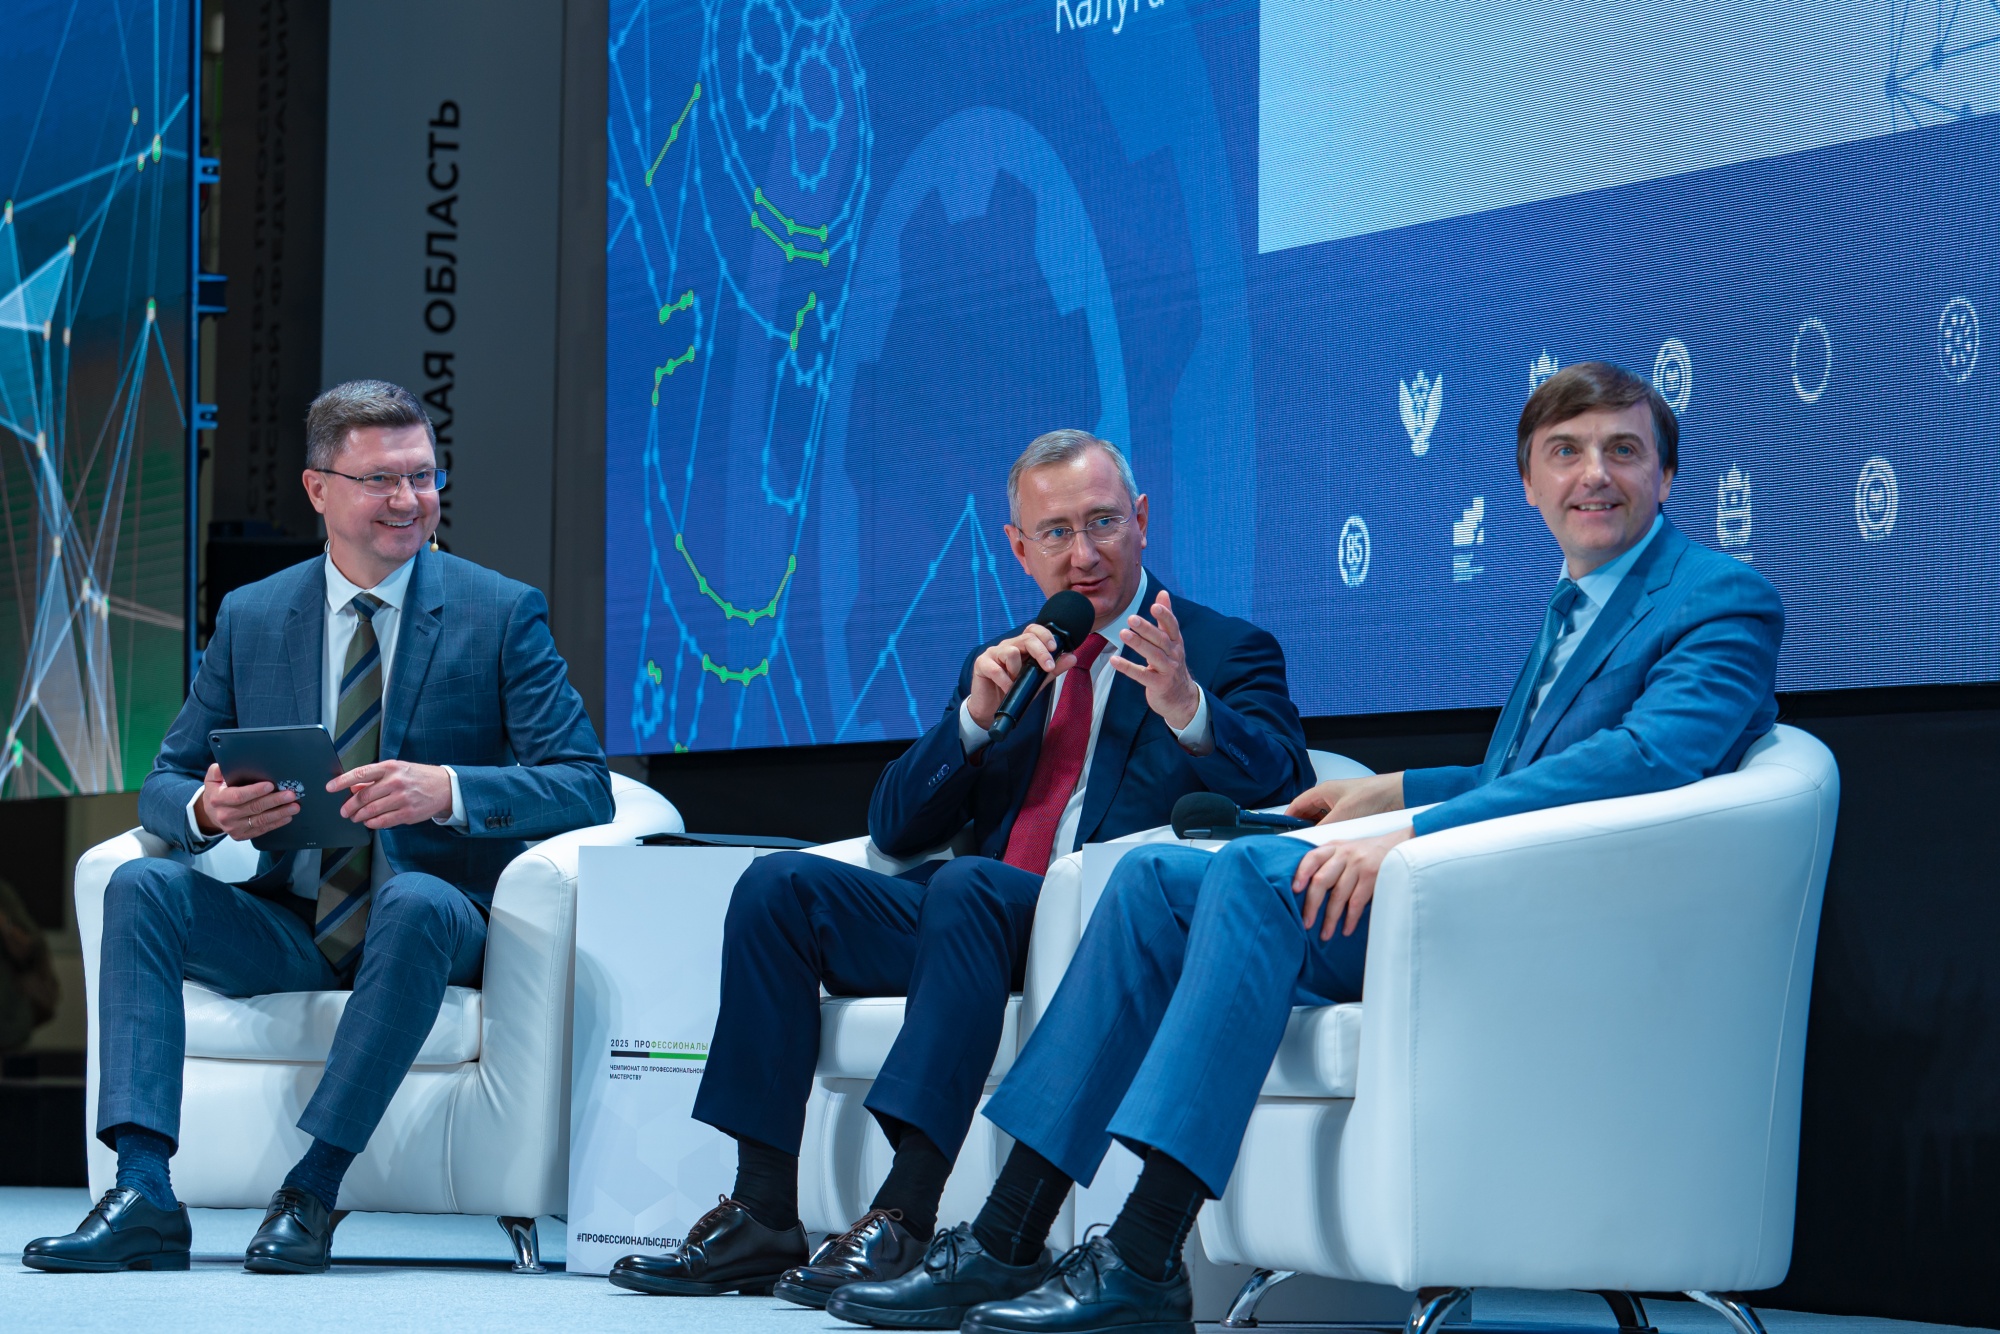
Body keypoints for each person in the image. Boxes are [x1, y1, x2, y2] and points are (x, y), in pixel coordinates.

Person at [827, 361, 1786, 1334]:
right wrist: (1388, 789)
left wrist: (1407, 830)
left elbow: (1643, 761)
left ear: (1665, 474)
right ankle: (1005, 1234)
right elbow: (1530, 773)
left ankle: (1144, 1251)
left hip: (1564, 918)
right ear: (1529, 483)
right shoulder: (1575, 602)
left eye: (1622, 450)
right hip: (1480, 890)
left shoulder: (1719, 598)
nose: (1594, 474)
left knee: (1250, 874)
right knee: (1153, 881)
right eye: (1565, 453)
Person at [609, 429, 1314, 1305]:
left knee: (966, 884)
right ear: (1018, 549)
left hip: (1107, 927)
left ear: (1141, 520)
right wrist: (974, 723)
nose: (1083, 554)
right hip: (970, 925)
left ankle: (904, 1216)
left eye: (1103, 522)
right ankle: (761, 1211)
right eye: (1055, 532)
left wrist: (1186, 705)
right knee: (777, 888)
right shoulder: (1011, 659)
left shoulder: (1219, 648)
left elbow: (1288, 790)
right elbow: (896, 826)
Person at [24, 381, 613, 1276]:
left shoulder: (499, 612)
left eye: (423, 476)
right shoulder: (255, 615)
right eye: (381, 480)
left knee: (414, 902)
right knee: (142, 885)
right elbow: (166, 781)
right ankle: (143, 1192)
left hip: (436, 920)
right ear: (318, 490)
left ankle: (312, 1190)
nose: (409, 499)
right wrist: (208, 811)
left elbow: (584, 784)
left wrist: (448, 790)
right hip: (294, 923)